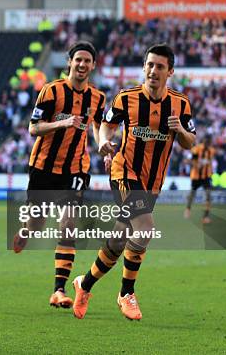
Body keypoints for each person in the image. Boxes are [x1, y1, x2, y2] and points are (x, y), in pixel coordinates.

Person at [72, 44, 195, 321]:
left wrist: (180, 131)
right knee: (145, 227)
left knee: (118, 240)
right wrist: (103, 142)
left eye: (160, 66)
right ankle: (126, 292)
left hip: (153, 183)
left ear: (170, 71)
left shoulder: (180, 104)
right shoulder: (126, 98)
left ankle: (84, 284)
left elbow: (190, 142)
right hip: (124, 172)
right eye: (149, 64)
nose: (153, 70)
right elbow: (107, 125)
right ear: (144, 67)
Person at [13, 41, 107, 309]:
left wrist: (101, 143)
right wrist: (63, 122)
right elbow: (34, 128)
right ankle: (25, 230)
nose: (82, 65)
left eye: (87, 61)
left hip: (76, 168)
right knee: (38, 222)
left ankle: (59, 290)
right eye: (78, 60)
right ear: (69, 62)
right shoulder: (51, 91)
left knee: (68, 223)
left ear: (93, 65)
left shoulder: (98, 98)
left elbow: (99, 126)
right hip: (43, 166)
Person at [184, 135, 215, 224]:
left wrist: (211, 172)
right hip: (196, 176)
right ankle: (188, 209)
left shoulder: (211, 151)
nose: (207, 145)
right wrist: (197, 165)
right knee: (192, 194)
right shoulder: (197, 149)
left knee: (208, 195)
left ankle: (206, 216)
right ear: (203, 142)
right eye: (206, 143)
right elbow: (190, 161)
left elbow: (210, 163)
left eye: (208, 143)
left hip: (206, 177)